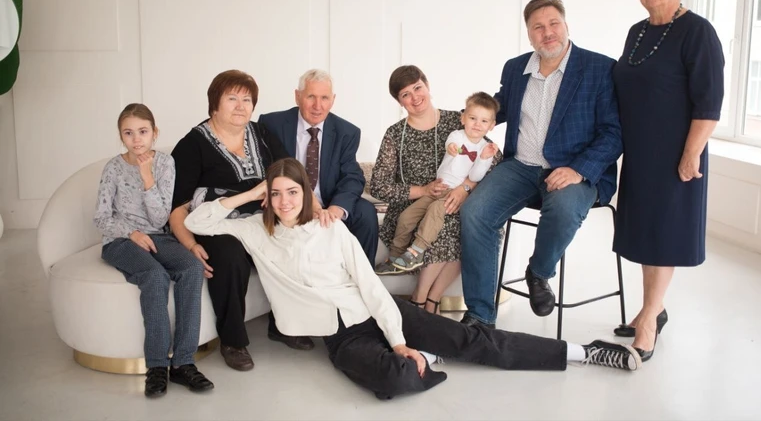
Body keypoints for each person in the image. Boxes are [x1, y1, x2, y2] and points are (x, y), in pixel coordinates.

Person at [184, 158, 642, 400]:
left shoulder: (329, 227)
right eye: (276, 193)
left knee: (476, 341)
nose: (285, 201)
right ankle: (427, 358)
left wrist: (398, 338)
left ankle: (584, 352)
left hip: (376, 312)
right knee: (395, 380)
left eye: (292, 191)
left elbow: (369, 286)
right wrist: (250, 194)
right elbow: (197, 220)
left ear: (305, 193)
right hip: (340, 337)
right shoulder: (255, 230)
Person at [460, 0, 623, 328]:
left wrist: (578, 170)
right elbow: (496, 109)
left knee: (563, 207)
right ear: (529, 34)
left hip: (574, 170)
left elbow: (614, 132)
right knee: (475, 212)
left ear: (566, 25)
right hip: (521, 167)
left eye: (553, 24)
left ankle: (538, 272)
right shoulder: (516, 68)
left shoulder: (600, 68)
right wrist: (448, 119)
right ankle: (479, 317)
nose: (547, 33)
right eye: (538, 27)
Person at [611, 0, 724, 362]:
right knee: (646, 236)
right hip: (641, 152)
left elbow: (709, 102)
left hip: (676, 151)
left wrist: (692, 153)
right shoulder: (637, 32)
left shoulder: (698, 31)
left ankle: (648, 322)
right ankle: (652, 309)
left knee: (665, 236)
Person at [168, 70, 313, 373]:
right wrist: (190, 245)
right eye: (232, 98)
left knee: (298, 238)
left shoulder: (261, 134)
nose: (240, 106)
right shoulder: (192, 144)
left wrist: (311, 207)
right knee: (230, 255)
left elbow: (290, 174)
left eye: (247, 100)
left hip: (261, 221)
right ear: (214, 104)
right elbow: (178, 208)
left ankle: (284, 325)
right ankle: (233, 341)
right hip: (215, 225)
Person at [94, 103, 214, 398]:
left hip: (159, 237)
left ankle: (183, 362)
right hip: (120, 241)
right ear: (121, 136)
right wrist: (131, 233)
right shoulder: (113, 168)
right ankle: (157, 366)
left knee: (192, 268)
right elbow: (101, 217)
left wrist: (147, 177)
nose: (136, 139)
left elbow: (161, 219)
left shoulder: (164, 164)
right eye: (128, 133)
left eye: (143, 131)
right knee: (155, 276)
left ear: (154, 133)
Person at [370, 65, 502, 314]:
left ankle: (425, 301)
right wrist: (423, 191)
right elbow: (378, 185)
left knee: (464, 222)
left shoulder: (458, 120)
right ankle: (426, 302)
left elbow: (493, 159)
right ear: (399, 101)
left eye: (417, 88)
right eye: (405, 94)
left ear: (427, 86)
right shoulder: (395, 134)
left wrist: (465, 188)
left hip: (458, 199)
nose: (415, 97)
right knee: (440, 222)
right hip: (414, 204)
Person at [258, 68, 378, 266]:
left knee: (365, 213)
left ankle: (364, 277)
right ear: (297, 96)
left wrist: (336, 209)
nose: (317, 106)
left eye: (324, 98)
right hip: (287, 200)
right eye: (311, 97)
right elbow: (262, 165)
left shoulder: (347, 132)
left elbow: (352, 176)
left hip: (328, 201)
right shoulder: (272, 124)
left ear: (333, 100)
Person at [389, 92, 500, 273]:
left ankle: (416, 252)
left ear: (491, 125)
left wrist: (483, 159)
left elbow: (475, 177)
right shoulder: (457, 135)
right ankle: (395, 255)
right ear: (463, 118)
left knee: (435, 211)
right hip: (438, 187)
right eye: (472, 118)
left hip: (453, 192)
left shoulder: (485, 149)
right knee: (406, 216)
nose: (477, 124)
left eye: (484, 121)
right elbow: (451, 143)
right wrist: (452, 148)